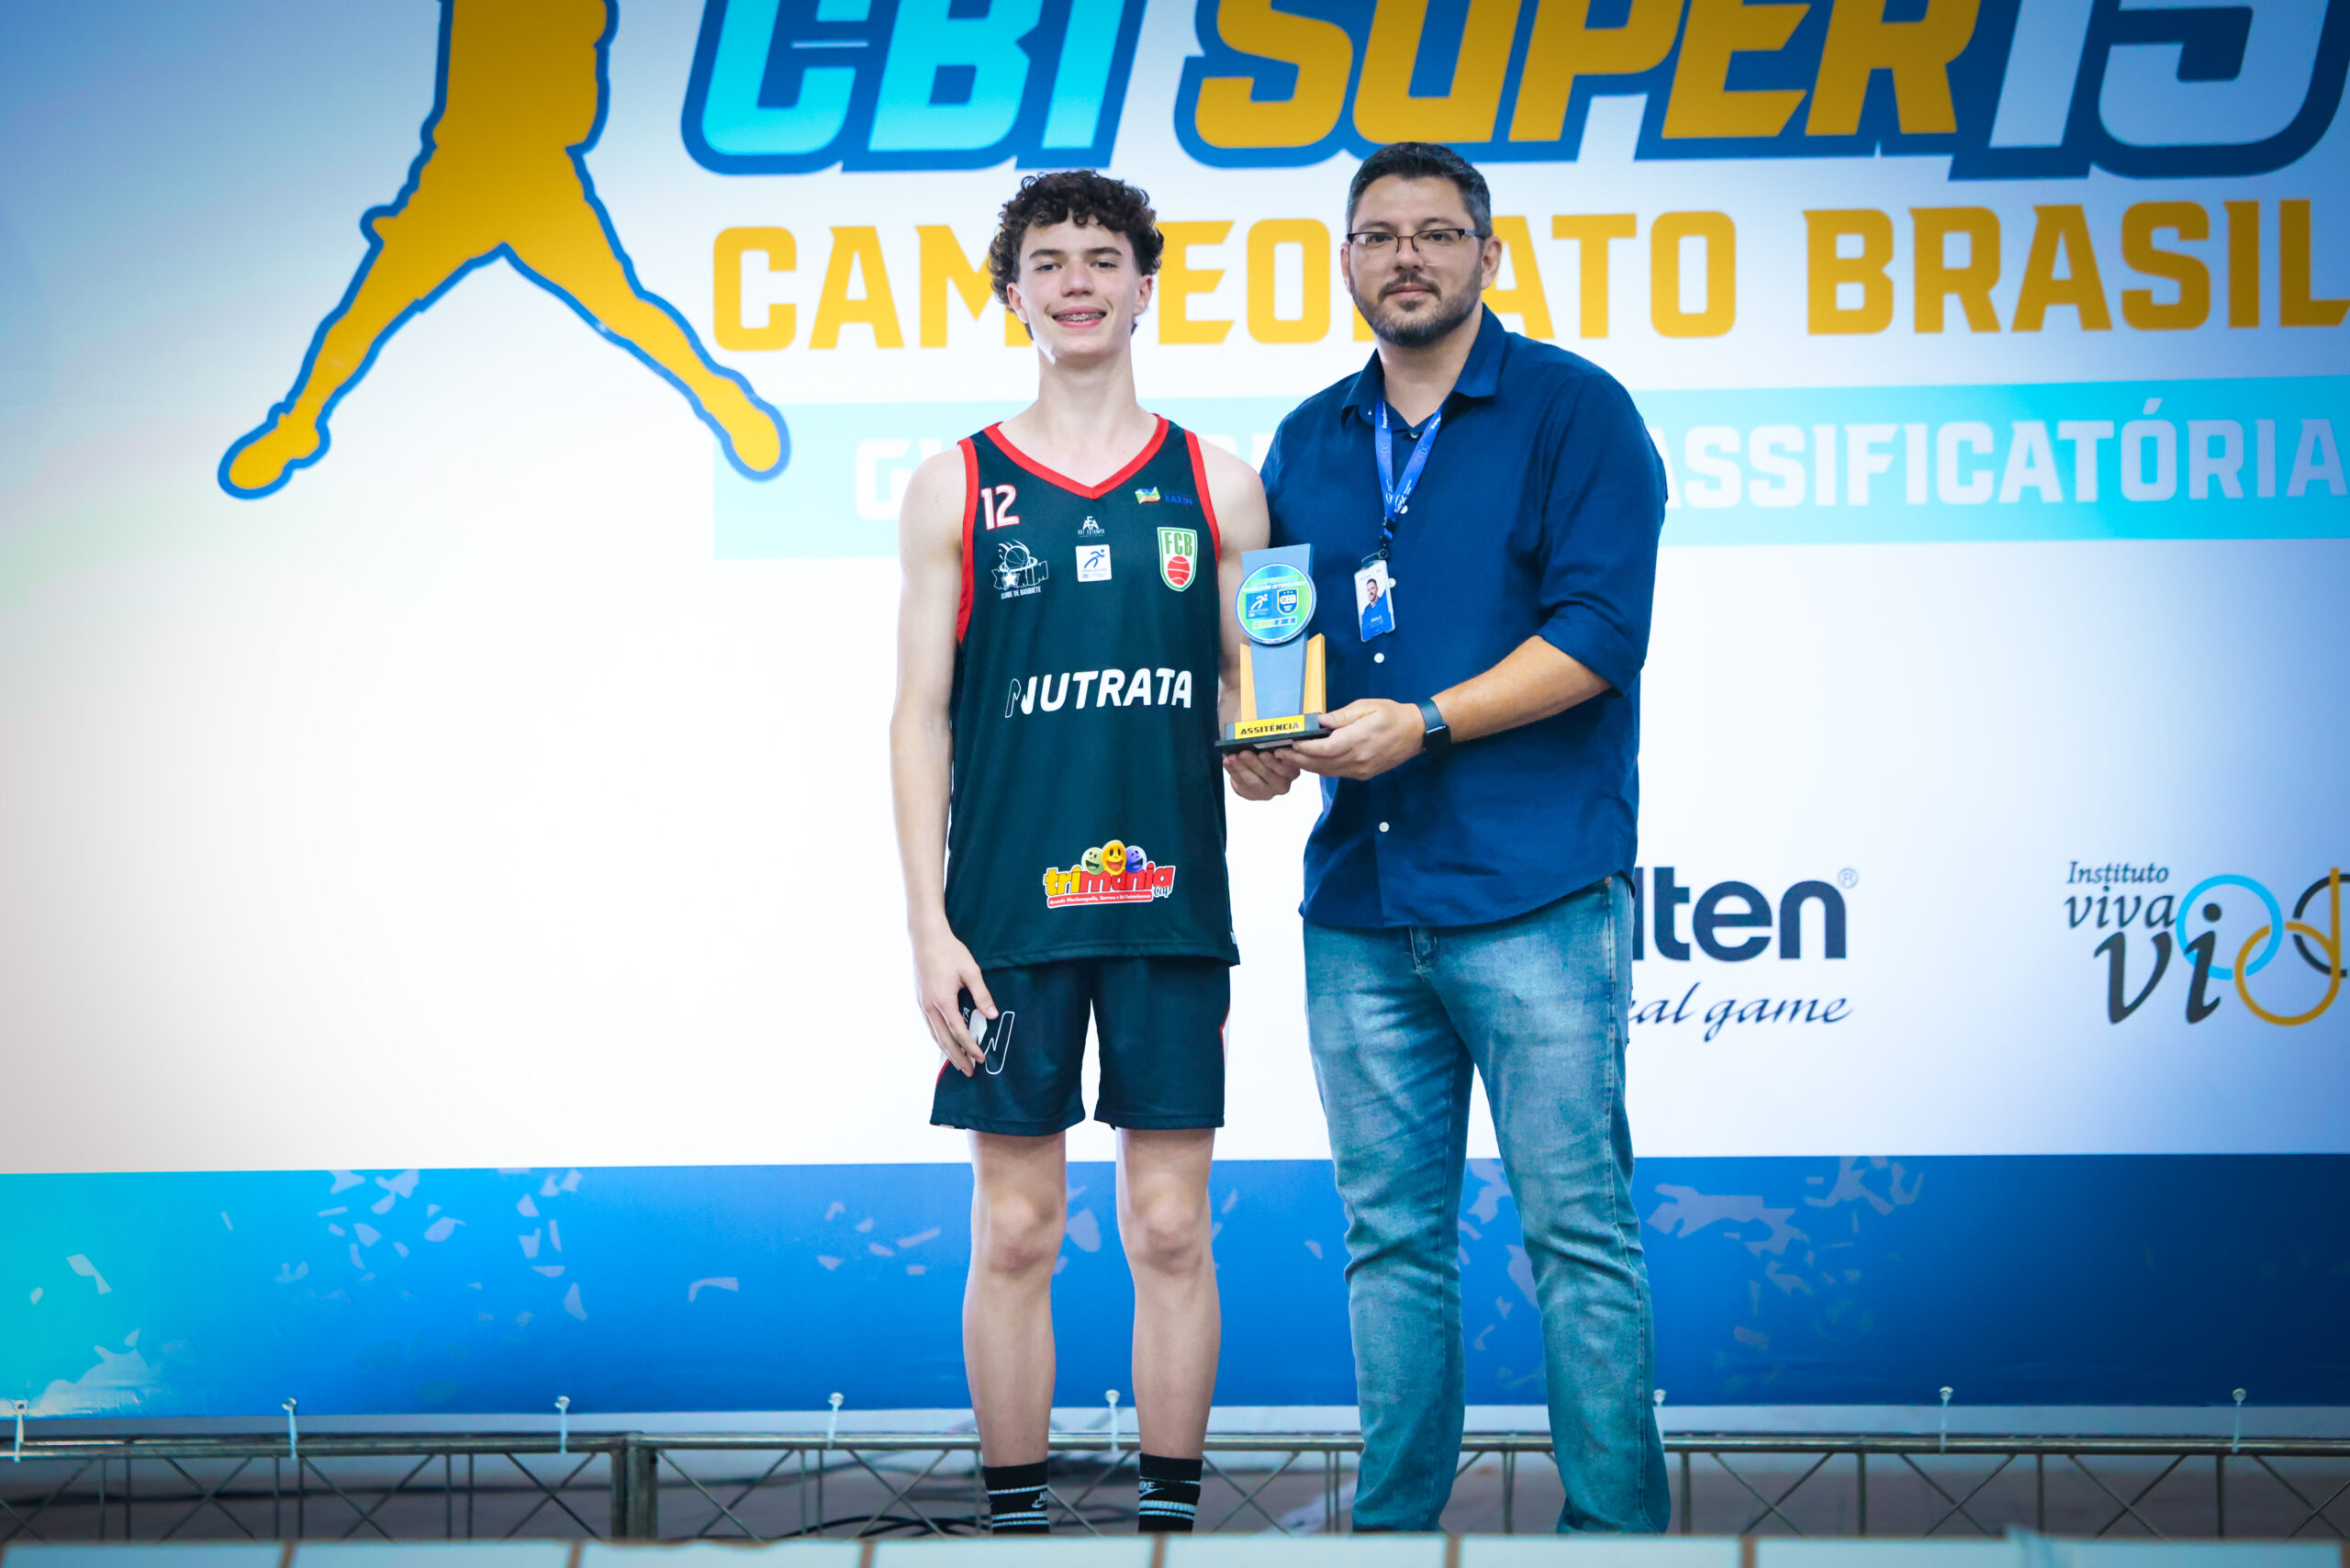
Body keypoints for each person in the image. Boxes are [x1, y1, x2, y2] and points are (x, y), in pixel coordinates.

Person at [1225, 141, 1670, 1532]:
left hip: (1537, 893)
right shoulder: (1307, 440)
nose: (1404, 256)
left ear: (1490, 253)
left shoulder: (1576, 412)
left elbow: (1600, 635)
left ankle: (1614, 1544)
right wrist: (1256, 745)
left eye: (1434, 231)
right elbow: (1276, 649)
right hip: (1360, 902)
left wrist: (1422, 723)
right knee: (1391, 1247)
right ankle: (1394, 1536)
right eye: (1378, 235)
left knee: (1577, 1237)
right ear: (1346, 262)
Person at [890, 171, 1270, 1535]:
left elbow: (1254, 694)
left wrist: (1266, 749)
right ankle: (1017, 1531)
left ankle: (1168, 1526)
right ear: (1014, 295)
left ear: (1143, 285)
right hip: (1008, 913)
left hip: (1168, 904)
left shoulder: (1219, 483)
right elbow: (919, 717)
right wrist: (930, 927)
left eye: (1101, 258)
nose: (1075, 282)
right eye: (1046, 261)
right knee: (1016, 1230)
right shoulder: (957, 483)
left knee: (1169, 1225)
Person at [221, 0, 783, 498]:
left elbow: (573, 111)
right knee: (364, 317)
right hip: (459, 176)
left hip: (535, 177)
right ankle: (296, 425)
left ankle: (721, 399)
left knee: (623, 309)